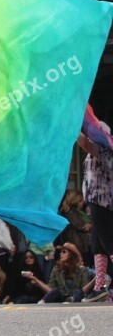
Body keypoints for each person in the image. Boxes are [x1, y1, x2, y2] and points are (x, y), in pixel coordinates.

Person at [76, 126, 113, 302]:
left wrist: (72, 122)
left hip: (102, 201)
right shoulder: (97, 151)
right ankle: (100, 289)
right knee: (97, 245)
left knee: (109, 244)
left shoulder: (104, 149)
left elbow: (84, 143)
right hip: (96, 201)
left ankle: (101, 288)